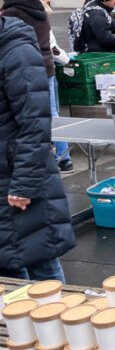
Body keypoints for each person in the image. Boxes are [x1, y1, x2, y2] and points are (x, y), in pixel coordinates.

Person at [0, 15, 75, 281]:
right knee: (10, 269)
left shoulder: (16, 51)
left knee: (39, 264)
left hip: (18, 180)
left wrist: (24, 184)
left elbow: (34, 123)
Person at [23, 0, 73, 173]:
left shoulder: (14, 16)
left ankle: (55, 156)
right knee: (52, 114)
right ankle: (63, 157)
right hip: (44, 70)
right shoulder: (39, 17)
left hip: (30, 71)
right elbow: (53, 49)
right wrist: (68, 60)